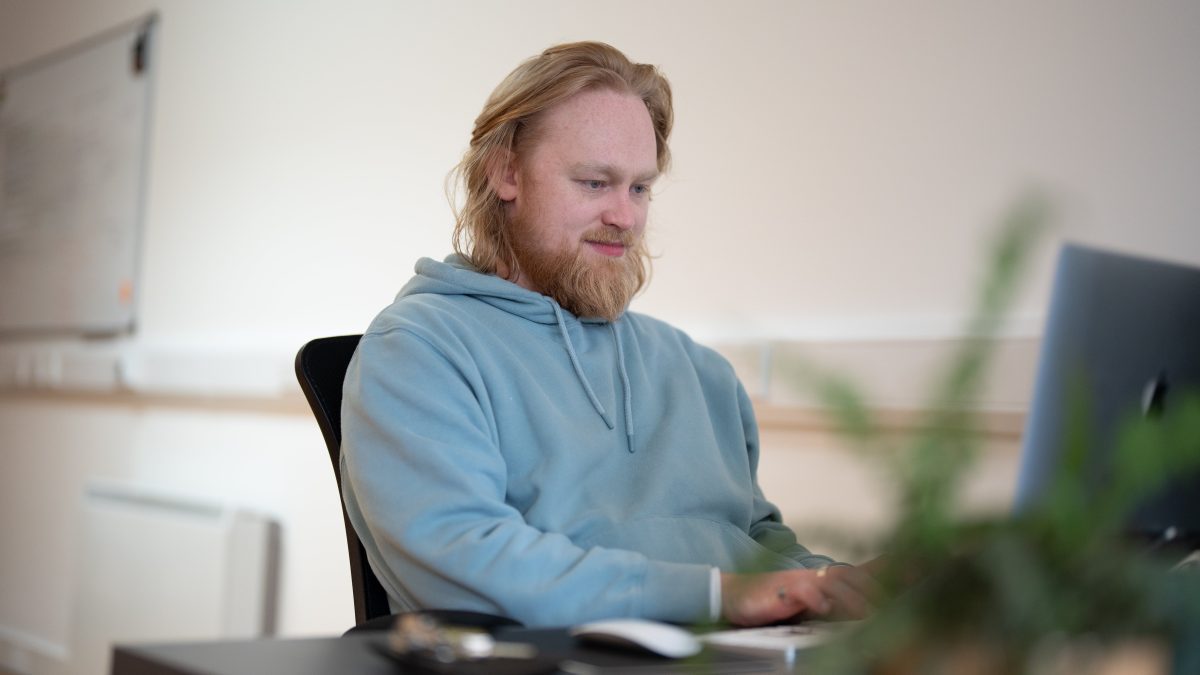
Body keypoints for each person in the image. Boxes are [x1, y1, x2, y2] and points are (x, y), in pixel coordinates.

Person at [340, 41, 876, 628]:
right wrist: (719, 596)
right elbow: (465, 563)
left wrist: (833, 585)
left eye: (640, 188)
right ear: (506, 173)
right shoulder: (419, 351)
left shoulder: (699, 371)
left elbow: (761, 550)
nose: (626, 216)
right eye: (595, 183)